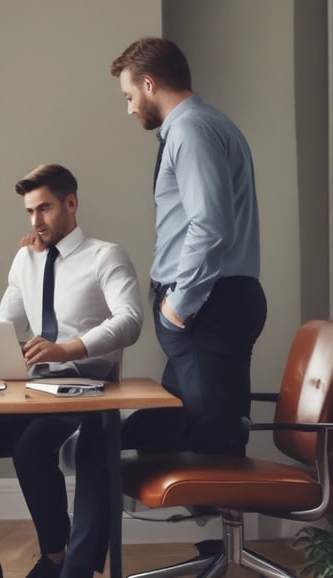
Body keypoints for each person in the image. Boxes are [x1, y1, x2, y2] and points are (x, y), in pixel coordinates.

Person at [61, 36, 269, 578]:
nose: (129, 107)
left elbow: (210, 228)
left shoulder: (193, 130)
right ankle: (82, 565)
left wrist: (178, 307)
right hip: (209, 307)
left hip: (205, 307)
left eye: (130, 95)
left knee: (205, 433)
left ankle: (76, 569)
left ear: (149, 84)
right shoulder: (204, 126)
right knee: (118, 439)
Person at [0, 164, 143, 578]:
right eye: (29, 212)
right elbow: (2, 324)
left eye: (44, 209)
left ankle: (55, 559)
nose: (35, 221)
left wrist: (67, 348)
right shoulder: (26, 259)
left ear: (71, 203)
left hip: (87, 388)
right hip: (33, 389)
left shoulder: (106, 255)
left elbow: (130, 320)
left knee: (31, 448)